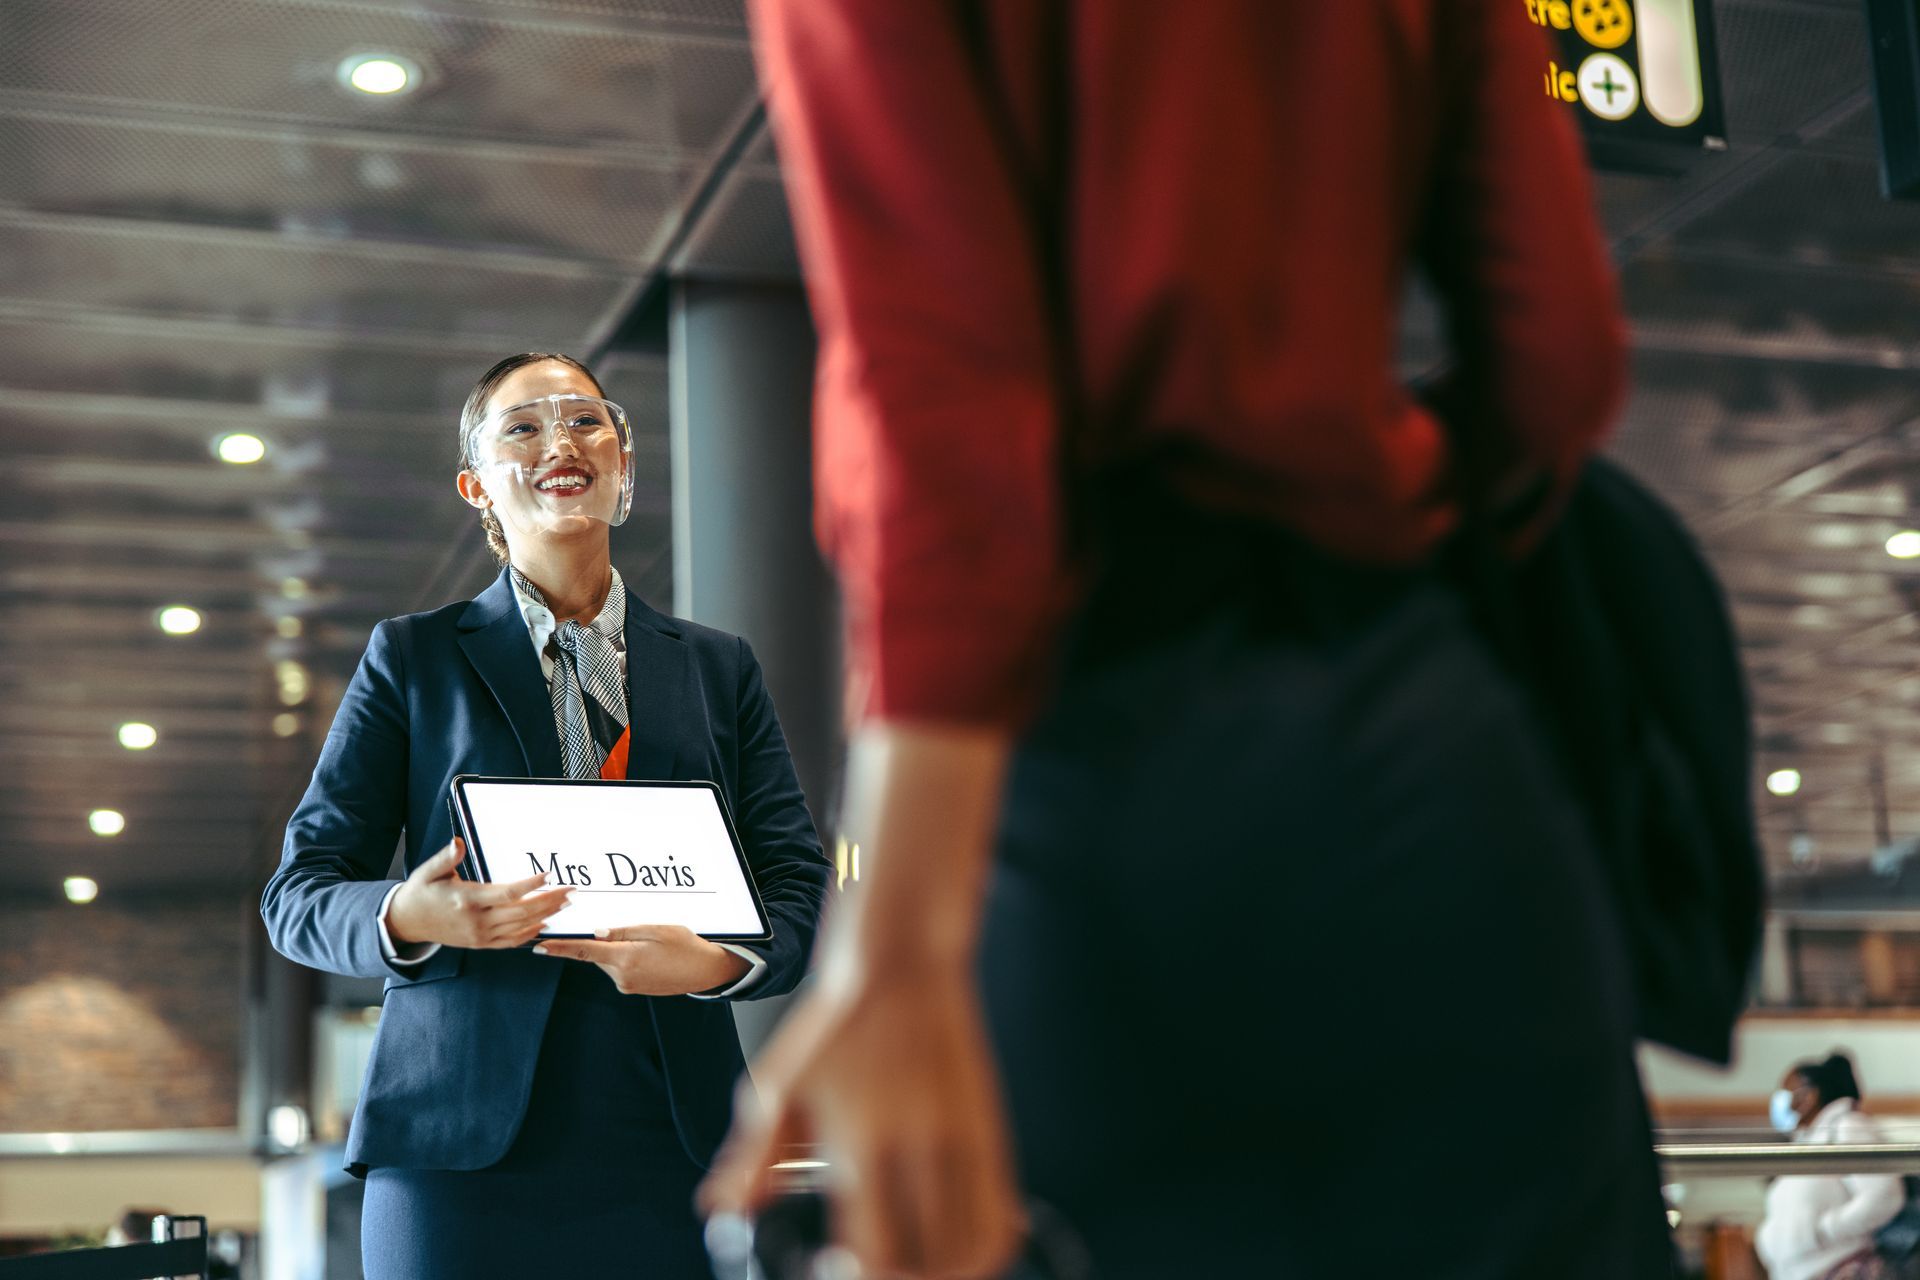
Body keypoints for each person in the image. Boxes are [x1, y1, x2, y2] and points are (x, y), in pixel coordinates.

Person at [706, 3, 1670, 1277]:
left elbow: (943, 408)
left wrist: (893, 939)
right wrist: (1369, 482)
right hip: (1427, 748)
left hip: (1088, 782)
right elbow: (1558, 360)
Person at [261, 352, 831, 1278]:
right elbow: (297, 893)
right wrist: (410, 915)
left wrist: (720, 960)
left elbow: (800, 883)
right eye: (521, 428)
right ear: (476, 484)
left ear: (624, 463)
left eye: (586, 421)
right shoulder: (413, 658)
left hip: (675, 1143)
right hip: (456, 1151)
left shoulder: (716, 669)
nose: (559, 442)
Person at [1756, 1053, 1906, 1280]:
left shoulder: (1848, 1127)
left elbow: (1884, 1195)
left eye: (1787, 1093)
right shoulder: (1810, 1139)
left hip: (1840, 1270)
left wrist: (1824, 1231)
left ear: (1811, 1095)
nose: (1781, 1102)